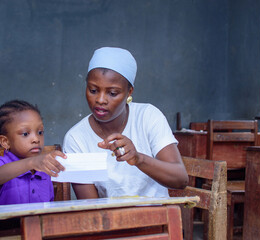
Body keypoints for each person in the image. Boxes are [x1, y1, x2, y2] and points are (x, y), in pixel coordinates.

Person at [63, 47, 188, 199]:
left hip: (158, 217)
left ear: (129, 92)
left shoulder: (148, 117)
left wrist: (138, 159)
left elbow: (180, 179)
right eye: (93, 90)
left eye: (112, 93)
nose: (100, 100)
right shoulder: (76, 139)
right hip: (110, 221)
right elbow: (91, 207)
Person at [0, 99, 66, 205]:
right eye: (25, 134)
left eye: (40, 132)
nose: (36, 139)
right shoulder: (0, 163)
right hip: (8, 222)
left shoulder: (44, 171)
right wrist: (31, 162)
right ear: (5, 142)